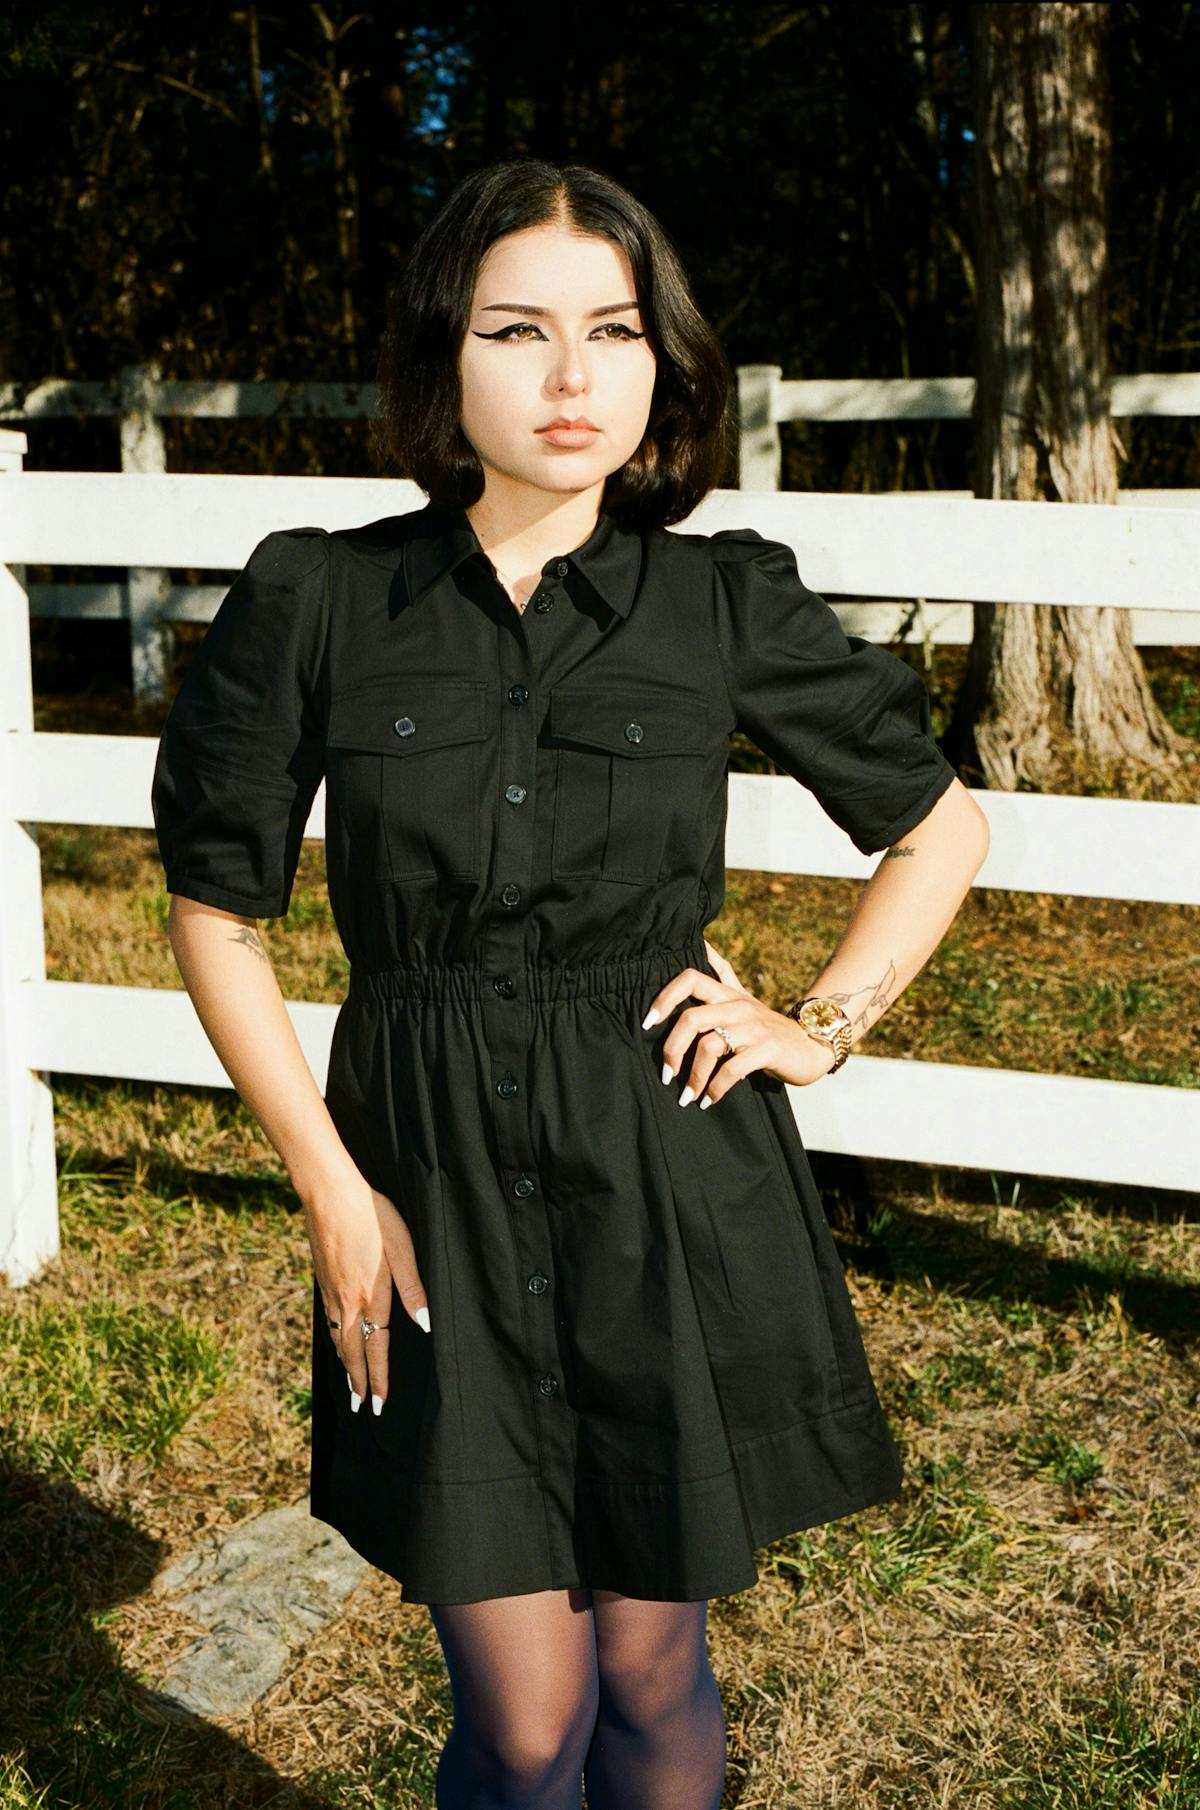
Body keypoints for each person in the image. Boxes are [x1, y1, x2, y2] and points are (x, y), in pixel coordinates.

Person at [150, 157, 990, 1809]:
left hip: (661, 1174)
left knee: (650, 1664)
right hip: (429, 1186)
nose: (567, 377)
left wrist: (814, 1027)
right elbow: (213, 909)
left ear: (660, 362)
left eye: (609, 331)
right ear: (440, 359)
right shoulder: (320, 597)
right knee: (528, 1716)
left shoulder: (716, 599)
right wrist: (334, 1189)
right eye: (516, 329)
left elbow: (940, 827)